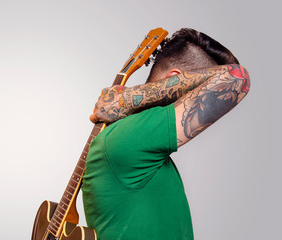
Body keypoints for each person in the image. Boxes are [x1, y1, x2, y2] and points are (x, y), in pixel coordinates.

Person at [82, 28, 250, 240]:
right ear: (175, 80)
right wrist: (129, 98)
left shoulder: (138, 141)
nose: (210, 109)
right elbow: (237, 78)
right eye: (201, 93)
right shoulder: (132, 135)